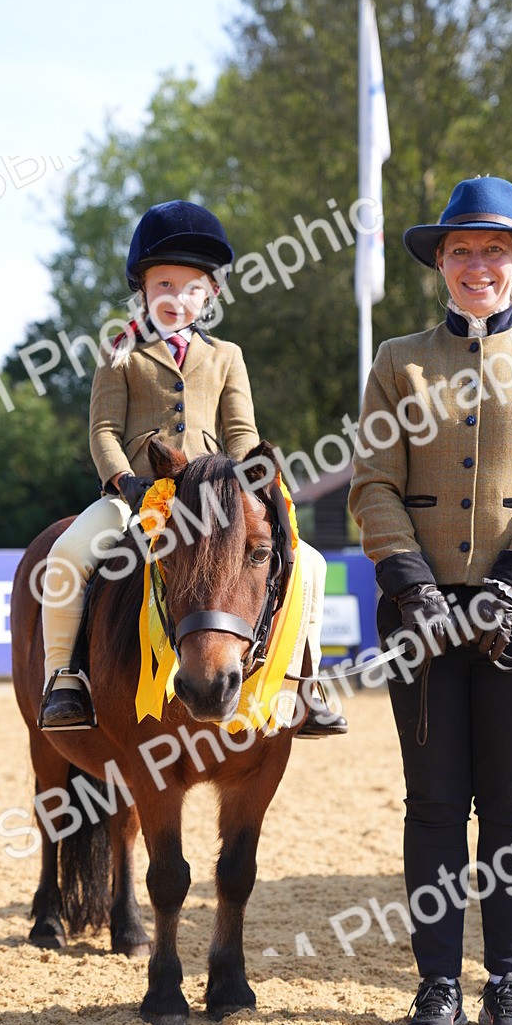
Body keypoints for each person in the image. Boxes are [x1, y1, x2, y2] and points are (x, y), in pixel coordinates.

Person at [349, 176, 512, 1025]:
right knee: (433, 802)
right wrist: (413, 585)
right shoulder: (398, 361)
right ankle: (437, 987)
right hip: (422, 606)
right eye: (462, 251)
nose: (478, 265)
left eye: (495, 249)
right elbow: (373, 485)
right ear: (440, 265)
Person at [40, 199, 346, 738]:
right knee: (67, 554)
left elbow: (242, 432)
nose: (176, 299)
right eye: (163, 286)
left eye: (190, 288)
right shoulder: (121, 356)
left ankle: (307, 686)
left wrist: (255, 478)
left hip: (213, 499)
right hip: (136, 494)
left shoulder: (227, 355)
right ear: (143, 292)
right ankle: (64, 678)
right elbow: (103, 432)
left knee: (313, 562)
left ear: (211, 295)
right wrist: (124, 481)